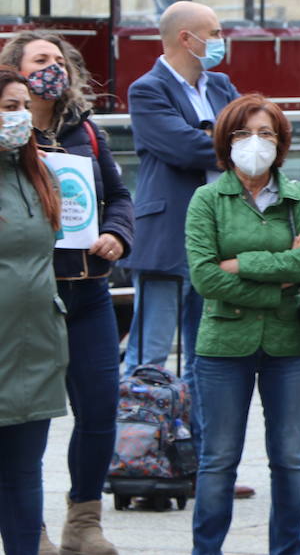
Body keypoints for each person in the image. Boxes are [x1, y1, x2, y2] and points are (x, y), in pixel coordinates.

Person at [0, 34, 132, 555]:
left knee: (99, 410)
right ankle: (27, 527)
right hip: (33, 301)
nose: (52, 68)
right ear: (14, 72)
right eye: (41, 61)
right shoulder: (17, 140)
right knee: (24, 424)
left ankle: (84, 519)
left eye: (59, 60)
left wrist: (118, 234)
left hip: (89, 292)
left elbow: (119, 197)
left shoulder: (86, 132)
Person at [185, 95, 300, 555]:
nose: (255, 142)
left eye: (266, 133)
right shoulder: (207, 198)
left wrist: (240, 263)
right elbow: (205, 275)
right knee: (219, 460)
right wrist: (279, 278)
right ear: (226, 142)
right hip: (224, 346)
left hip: (290, 346)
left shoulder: (298, 195)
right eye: (244, 133)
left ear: (281, 142)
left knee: (289, 459)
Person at [124, 2, 241, 469]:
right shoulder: (146, 90)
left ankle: (203, 463)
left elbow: (246, 130)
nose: (220, 40)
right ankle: (136, 456)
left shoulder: (222, 85)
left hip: (221, 243)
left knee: (206, 358)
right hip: (166, 242)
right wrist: (227, 141)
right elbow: (181, 145)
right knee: (150, 356)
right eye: (213, 32)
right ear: (185, 38)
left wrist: (222, 138)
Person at [0, 66, 66, 555]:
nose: (21, 116)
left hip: (36, 348)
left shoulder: (40, 171)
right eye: (9, 107)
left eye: (23, 106)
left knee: (24, 478)